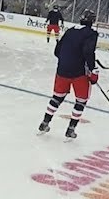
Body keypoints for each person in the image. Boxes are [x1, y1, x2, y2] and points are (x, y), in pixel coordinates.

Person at [37, 9, 99, 140]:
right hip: (79, 73)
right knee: (81, 100)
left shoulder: (70, 31)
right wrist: (93, 69)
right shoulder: (91, 33)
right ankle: (70, 129)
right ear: (92, 21)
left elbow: (57, 51)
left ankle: (45, 123)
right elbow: (88, 52)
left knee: (57, 98)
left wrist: (67, 61)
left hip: (62, 70)